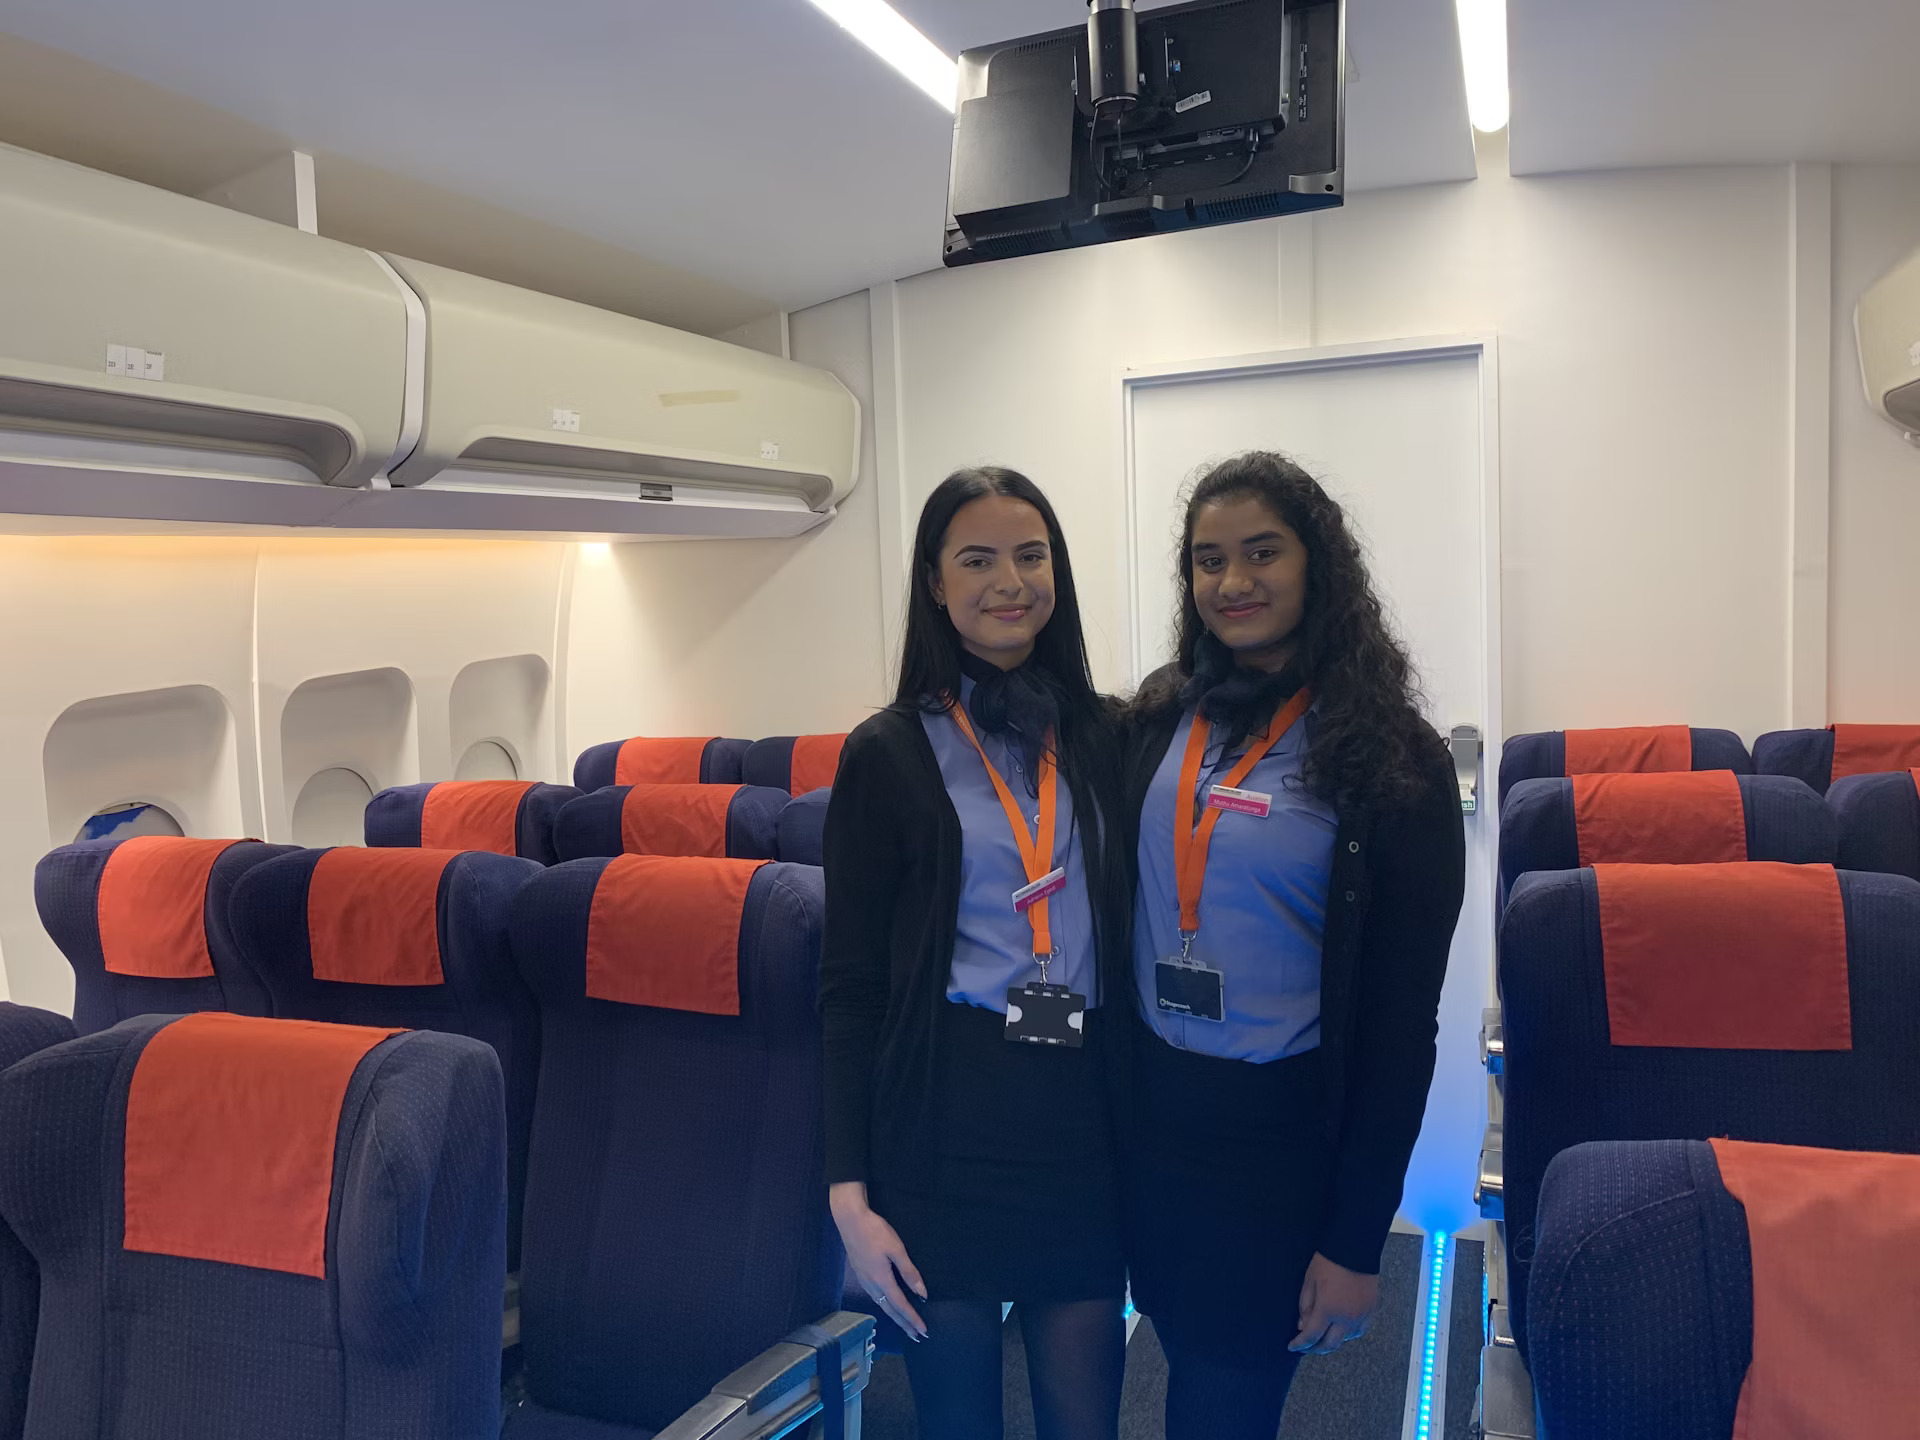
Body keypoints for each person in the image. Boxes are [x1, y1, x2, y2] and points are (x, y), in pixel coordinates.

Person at [1121, 450, 1465, 1439]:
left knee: (1226, 1395)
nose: (1234, 581)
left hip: (1275, 1145)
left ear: (1317, 564)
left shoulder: (1396, 758)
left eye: (1262, 553)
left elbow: (1401, 1027)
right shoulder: (1159, 716)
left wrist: (1357, 1243)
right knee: (1179, 1348)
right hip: (1150, 1124)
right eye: (1209, 560)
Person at [820, 466, 1129, 1440]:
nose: (1010, 581)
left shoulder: (1105, 735)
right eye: (978, 559)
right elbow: (850, 986)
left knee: (1086, 1422)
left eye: (1031, 556)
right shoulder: (885, 752)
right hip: (941, 1120)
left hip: (1080, 1117)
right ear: (934, 581)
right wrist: (848, 1195)